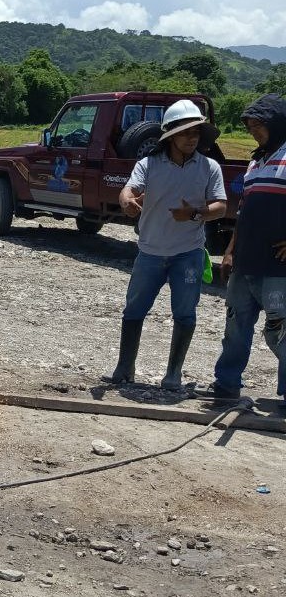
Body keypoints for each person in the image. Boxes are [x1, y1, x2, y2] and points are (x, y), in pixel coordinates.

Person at [105, 99, 227, 390]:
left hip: (189, 254)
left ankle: (173, 374)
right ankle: (124, 368)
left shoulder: (209, 167)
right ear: (170, 135)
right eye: (185, 133)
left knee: (185, 313)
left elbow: (221, 206)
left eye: (196, 132)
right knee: (134, 310)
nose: (192, 138)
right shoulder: (148, 164)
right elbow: (128, 191)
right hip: (149, 252)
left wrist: (196, 214)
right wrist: (127, 202)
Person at [206, 94, 286, 402]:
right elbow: (244, 212)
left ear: (276, 123)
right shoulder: (255, 161)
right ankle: (226, 384)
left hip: (277, 266)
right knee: (235, 327)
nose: (253, 131)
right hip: (246, 261)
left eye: (259, 126)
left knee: (279, 332)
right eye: (249, 126)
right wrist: (229, 250)